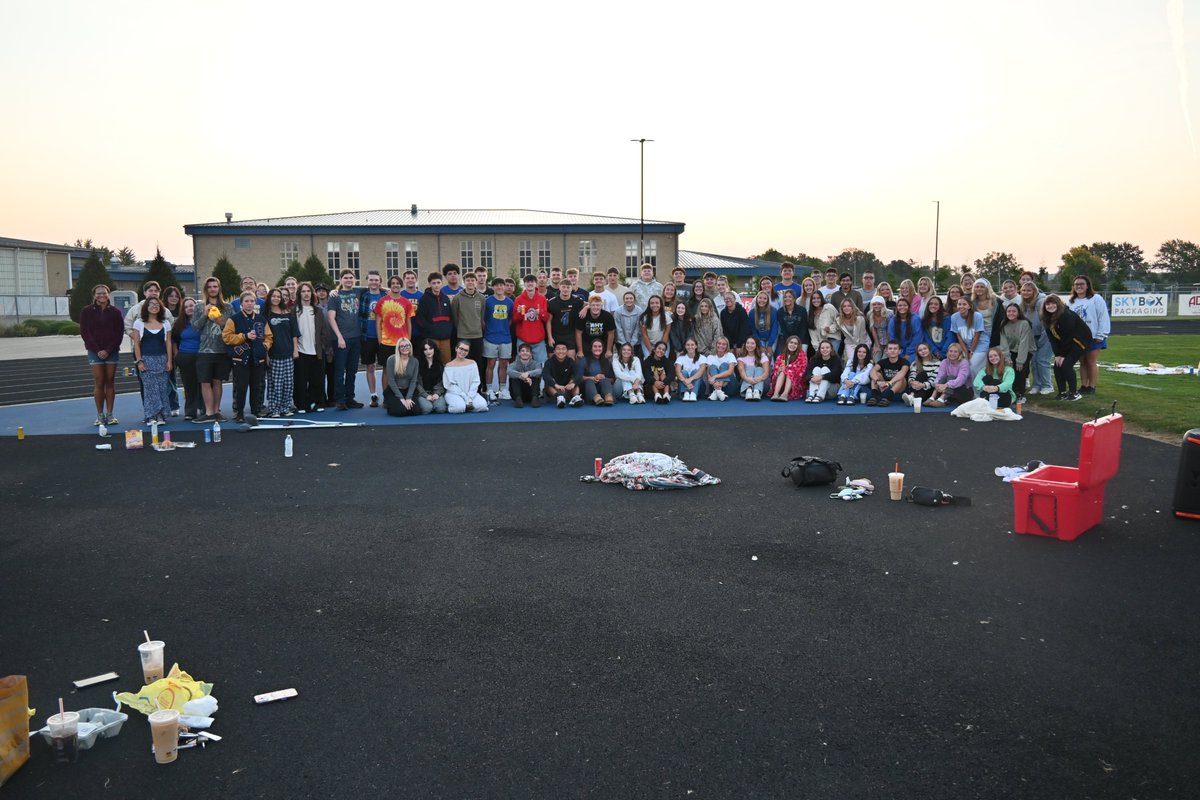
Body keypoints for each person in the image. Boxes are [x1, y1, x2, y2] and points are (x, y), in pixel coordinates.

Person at [80, 283, 124, 426]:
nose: (101, 295)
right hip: (94, 351)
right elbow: (85, 332)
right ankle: (100, 416)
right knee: (99, 381)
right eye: (98, 293)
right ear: (94, 296)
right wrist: (97, 349)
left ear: (108, 294)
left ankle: (110, 415)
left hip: (111, 352)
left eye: (104, 293)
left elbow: (119, 333)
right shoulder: (87, 311)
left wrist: (108, 350)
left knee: (110, 381)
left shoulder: (116, 312)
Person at [223, 290, 270, 422]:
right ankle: (239, 413)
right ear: (241, 303)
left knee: (256, 386)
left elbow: (269, 337)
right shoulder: (234, 319)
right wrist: (244, 336)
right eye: (246, 301)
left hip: (258, 358)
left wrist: (264, 347)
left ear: (255, 302)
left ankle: (255, 412)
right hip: (240, 359)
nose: (249, 304)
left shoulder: (261, 319)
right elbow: (226, 337)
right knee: (241, 387)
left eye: (252, 301)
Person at [192, 276, 232, 423]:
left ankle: (216, 411)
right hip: (205, 350)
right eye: (210, 287)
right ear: (206, 290)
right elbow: (195, 327)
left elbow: (231, 328)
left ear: (219, 288)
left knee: (217, 381)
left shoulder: (228, 307)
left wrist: (220, 321)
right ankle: (208, 413)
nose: (212, 289)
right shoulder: (198, 307)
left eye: (215, 286)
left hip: (222, 350)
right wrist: (204, 314)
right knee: (204, 381)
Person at [325, 270, 364, 410]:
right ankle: (340, 400)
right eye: (346, 278)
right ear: (341, 279)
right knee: (340, 371)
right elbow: (331, 318)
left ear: (355, 279)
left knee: (352, 370)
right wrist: (339, 337)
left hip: (356, 337)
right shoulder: (335, 297)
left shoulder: (358, 292)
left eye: (351, 278)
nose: (348, 280)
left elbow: (377, 287)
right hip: (341, 339)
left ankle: (350, 398)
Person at [131, 297, 174, 424]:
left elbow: (169, 344)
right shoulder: (138, 323)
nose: (154, 306)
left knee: (162, 389)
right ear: (146, 307)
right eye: (151, 304)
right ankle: (150, 415)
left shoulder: (166, 323)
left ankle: (161, 415)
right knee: (150, 389)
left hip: (162, 359)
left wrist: (169, 361)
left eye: (157, 304)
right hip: (146, 360)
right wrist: (139, 361)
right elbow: (137, 344)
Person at [1068, 275, 1111, 395]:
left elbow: (1103, 316)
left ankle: (1092, 386)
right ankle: (1084, 385)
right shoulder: (1072, 301)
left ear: (1087, 286)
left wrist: (1101, 334)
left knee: (1091, 361)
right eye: (1076, 284)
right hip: (1079, 338)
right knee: (1082, 362)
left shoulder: (1096, 298)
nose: (1079, 286)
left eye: (1081, 284)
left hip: (1094, 336)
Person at [1041, 294, 1088, 401]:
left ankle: (1074, 393)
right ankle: (1062, 393)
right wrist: (1057, 355)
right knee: (1057, 365)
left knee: (1066, 364)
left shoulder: (1066, 315)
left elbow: (1068, 336)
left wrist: (1062, 355)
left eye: (1053, 303)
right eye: (1048, 304)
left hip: (1078, 341)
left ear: (1058, 304)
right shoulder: (1046, 318)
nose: (1050, 306)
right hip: (1066, 343)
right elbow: (1052, 339)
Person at [293, 282, 329, 414]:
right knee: (301, 380)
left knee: (318, 379)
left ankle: (318, 402)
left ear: (311, 293)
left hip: (317, 351)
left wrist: (323, 346)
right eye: (303, 291)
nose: (306, 294)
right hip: (301, 351)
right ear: (299, 294)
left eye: (308, 291)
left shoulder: (318, 310)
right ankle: (302, 404)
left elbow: (323, 331)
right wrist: (295, 348)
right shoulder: (294, 310)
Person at [375, 275, 415, 389]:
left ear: (401, 285)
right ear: (390, 286)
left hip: (402, 343)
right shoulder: (382, 301)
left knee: (403, 371)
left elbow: (408, 322)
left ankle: (401, 394)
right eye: (393, 283)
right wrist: (380, 340)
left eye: (397, 283)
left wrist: (409, 340)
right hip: (386, 343)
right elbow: (378, 323)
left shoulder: (406, 302)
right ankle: (386, 396)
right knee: (387, 371)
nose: (395, 285)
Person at [263, 288, 298, 417]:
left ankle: (286, 407)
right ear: (269, 298)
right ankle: (274, 408)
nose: (276, 298)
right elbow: (264, 337)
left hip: (288, 353)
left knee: (288, 383)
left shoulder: (288, 313)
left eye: (278, 296)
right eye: (274, 296)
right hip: (274, 354)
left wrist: (295, 350)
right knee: (275, 384)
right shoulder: (266, 315)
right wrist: (266, 354)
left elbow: (294, 333)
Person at [356, 271, 387, 407]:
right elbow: (343, 289)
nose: (374, 282)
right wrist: (334, 290)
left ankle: (387, 395)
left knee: (386, 367)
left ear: (380, 282)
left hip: (384, 336)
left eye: (376, 280)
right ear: (367, 281)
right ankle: (373, 395)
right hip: (367, 336)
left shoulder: (385, 295)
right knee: (370, 366)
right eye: (371, 280)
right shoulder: (362, 294)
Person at [450, 271, 486, 383]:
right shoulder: (457, 298)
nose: (470, 282)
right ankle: (463, 385)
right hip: (463, 336)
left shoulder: (481, 298)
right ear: (464, 282)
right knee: (462, 362)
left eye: (472, 280)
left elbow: (481, 316)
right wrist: (461, 329)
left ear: (476, 282)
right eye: (468, 280)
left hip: (477, 335)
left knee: (477, 363)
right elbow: (455, 317)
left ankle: (478, 388)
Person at [1018, 282, 1054, 395]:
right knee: (1033, 362)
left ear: (1034, 291)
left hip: (1046, 336)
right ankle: (1037, 385)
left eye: (1029, 290)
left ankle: (1047, 385)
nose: (1025, 292)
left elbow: (1046, 324)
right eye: (1023, 290)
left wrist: (1041, 341)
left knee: (1042, 360)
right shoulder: (1023, 305)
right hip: (1033, 338)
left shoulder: (1041, 302)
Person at [482, 277, 515, 400]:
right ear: (493, 287)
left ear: (505, 287)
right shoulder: (488, 301)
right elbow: (482, 320)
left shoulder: (510, 302)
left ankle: (503, 389)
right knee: (490, 364)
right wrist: (489, 331)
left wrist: (503, 329)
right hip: (490, 337)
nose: (499, 287)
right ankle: (489, 389)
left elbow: (510, 320)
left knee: (504, 364)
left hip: (505, 338)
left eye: (502, 285)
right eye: (497, 285)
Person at [996, 302, 1034, 404]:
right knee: (1009, 369)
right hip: (1011, 350)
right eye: (1009, 311)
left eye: (1014, 311)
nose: (1011, 313)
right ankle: (1011, 391)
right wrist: (1007, 357)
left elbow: (1024, 343)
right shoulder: (1003, 324)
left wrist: (1020, 361)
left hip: (1026, 350)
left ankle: (1021, 393)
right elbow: (1003, 343)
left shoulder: (1024, 323)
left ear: (1018, 312)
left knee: (1020, 370)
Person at [173, 296, 201, 420]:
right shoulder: (179, 324)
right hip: (185, 357)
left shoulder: (203, 321)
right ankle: (190, 411)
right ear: (183, 310)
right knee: (189, 386)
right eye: (186, 307)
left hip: (202, 356)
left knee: (203, 384)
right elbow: (173, 340)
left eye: (192, 305)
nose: (189, 308)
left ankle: (205, 409)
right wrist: (176, 355)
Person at [416, 272, 454, 364]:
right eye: (434, 283)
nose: (436, 285)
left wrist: (449, 330)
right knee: (432, 363)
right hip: (431, 338)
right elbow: (420, 319)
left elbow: (450, 316)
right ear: (430, 284)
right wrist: (430, 330)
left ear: (441, 283)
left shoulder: (445, 298)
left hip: (445, 338)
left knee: (447, 363)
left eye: (438, 282)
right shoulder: (424, 299)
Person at [513, 274, 550, 365]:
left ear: (536, 284)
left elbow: (546, 318)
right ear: (524, 284)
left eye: (532, 282)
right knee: (521, 366)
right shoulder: (518, 299)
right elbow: (515, 319)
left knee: (542, 364)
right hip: (523, 338)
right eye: (527, 282)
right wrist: (520, 313)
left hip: (539, 339)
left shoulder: (542, 298)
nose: (530, 284)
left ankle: (540, 380)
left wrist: (540, 312)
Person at [443, 340, 488, 413]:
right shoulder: (448, 366)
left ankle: (466, 405)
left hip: (471, 394)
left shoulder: (472, 363)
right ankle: (461, 405)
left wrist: (469, 397)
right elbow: (450, 385)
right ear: (456, 349)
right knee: (459, 408)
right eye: (461, 349)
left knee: (482, 405)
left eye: (466, 350)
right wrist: (464, 396)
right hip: (454, 394)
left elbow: (476, 381)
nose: (463, 352)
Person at [925, 342, 974, 407]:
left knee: (951, 377)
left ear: (960, 353)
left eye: (955, 352)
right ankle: (933, 397)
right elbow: (940, 375)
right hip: (950, 391)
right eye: (951, 351)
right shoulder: (944, 362)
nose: (952, 353)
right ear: (948, 352)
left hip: (964, 391)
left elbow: (961, 380)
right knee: (944, 377)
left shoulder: (964, 363)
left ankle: (942, 399)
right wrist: (936, 384)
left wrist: (946, 385)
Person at [161, 285, 185, 416]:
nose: (174, 298)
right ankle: (173, 405)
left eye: (176, 296)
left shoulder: (183, 311)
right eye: (171, 296)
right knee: (169, 378)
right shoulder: (161, 311)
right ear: (166, 297)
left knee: (188, 378)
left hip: (184, 347)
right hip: (167, 347)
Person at [382, 338, 421, 417]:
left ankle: (401, 404)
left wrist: (408, 397)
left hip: (408, 390)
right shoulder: (391, 360)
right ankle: (391, 404)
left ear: (410, 347)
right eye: (402, 346)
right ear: (398, 349)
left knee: (416, 411)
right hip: (394, 391)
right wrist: (401, 398)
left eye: (407, 345)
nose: (405, 348)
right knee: (400, 411)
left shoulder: (415, 361)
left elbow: (413, 381)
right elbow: (391, 381)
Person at [950, 297, 987, 377]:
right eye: (959, 304)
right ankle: (966, 386)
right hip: (966, 346)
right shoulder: (954, 317)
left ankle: (977, 387)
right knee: (963, 364)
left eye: (964, 304)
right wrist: (966, 352)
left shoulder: (977, 316)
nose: (961, 306)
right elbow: (959, 336)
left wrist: (972, 352)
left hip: (980, 345)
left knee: (972, 365)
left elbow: (977, 335)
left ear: (969, 306)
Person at [866, 340, 909, 407]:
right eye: (890, 348)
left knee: (901, 378)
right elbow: (872, 371)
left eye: (895, 349)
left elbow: (902, 373)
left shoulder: (904, 362)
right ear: (886, 351)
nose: (892, 350)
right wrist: (878, 382)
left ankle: (887, 397)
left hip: (898, 389)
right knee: (876, 374)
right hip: (884, 387)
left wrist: (889, 383)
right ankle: (874, 396)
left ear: (899, 351)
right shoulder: (882, 361)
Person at [547, 280, 584, 357]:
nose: (565, 289)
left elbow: (590, 304)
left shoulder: (577, 301)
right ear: (559, 288)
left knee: (571, 360)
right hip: (555, 335)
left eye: (568, 287)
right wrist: (550, 337)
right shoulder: (552, 302)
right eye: (563, 287)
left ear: (571, 288)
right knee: (553, 361)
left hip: (570, 335)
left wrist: (586, 308)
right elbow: (548, 321)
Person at [578, 338, 616, 406]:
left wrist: (604, 377)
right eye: (595, 346)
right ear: (591, 348)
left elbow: (612, 379)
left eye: (599, 346)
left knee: (605, 380)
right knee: (589, 381)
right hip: (588, 389)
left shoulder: (606, 361)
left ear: (602, 348)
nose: (597, 348)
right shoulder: (583, 360)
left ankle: (608, 398)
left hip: (603, 388)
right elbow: (578, 378)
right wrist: (592, 378)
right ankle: (596, 398)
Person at [576, 294, 616, 359]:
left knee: (606, 360)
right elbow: (578, 333)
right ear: (589, 306)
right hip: (587, 343)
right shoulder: (583, 315)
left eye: (598, 305)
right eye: (593, 305)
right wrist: (580, 351)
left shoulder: (608, 316)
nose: (595, 307)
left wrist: (608, 350)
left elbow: (611, 334)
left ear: (601, 306)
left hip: (602, 343)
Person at [769, 335, 808, 401]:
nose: (793, 345)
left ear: (798, 346)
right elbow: (775, 371)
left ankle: (785, 394)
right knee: (782, 371)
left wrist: (787, 368)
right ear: (787, 343)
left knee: (789, 371)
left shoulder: (802, 355)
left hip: (795, 383)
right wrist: (779, 370)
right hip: (782, 382)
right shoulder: (782, 356)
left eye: (795, 343)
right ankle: (776, 393)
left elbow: (801, 371)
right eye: (791, 342)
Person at [544, 340, 582, 407]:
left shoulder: (571, 361)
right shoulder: (549, 362)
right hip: (555, 388)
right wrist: (555, 385)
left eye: (563, 349)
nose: (561, 351)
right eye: (558, 349)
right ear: (554, 351)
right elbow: (545, 375)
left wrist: (573, 383)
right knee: (548, 384)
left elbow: (578, 374)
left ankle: (576, 398)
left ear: (567, 351)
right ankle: (559, 398)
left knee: (576, 383)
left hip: (568, 387)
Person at [415, 339, 448, 414]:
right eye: (425, 349)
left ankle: (434, 404)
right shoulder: (417, 364)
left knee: (441, 409)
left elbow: (442, 382)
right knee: (427, 409)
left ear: (434, 349)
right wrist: (425, 395)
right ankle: (429, 405)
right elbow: (416, 383)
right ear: (422, 351)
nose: (428, 351)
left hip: (436, 393)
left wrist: (437, 393)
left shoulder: (440, 365)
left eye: (430, 348)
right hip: (422, 393)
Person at [508, 342, 543, 408]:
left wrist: (528, 374)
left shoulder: (535, 363)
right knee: (514, 377)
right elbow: (509, 371)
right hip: (517, 393)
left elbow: (539, 371)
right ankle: (518, 399)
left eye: (527, 351)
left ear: (531, 354)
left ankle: (535, 399)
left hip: (531, 392)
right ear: (519, 353)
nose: (525, 353)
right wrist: (523, 377)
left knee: (536, 376)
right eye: (522, 351)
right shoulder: (514, 363)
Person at [919, 295, 953, 360]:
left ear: (940, 306)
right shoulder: (925, 320)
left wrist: (943, 351)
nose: (933, 306)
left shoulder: (947, 318)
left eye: (936, 304)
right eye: (931, 304)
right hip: (933, 351)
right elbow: (926, 339)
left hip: (947, 351)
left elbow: (950, 336)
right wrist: (935, 351)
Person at [705, 337, 738, 401]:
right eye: (719, 343)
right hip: (714, 385)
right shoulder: (710, 357)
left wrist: (715, 376)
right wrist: (714, 383)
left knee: (724, 365)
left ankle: (717, 390)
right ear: (716, 344)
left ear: (727, 346)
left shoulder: (730, 355)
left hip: (729, 385)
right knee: (712, 367)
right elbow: (708, 374)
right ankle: (718, 391)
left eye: (724, 344)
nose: (721, 345)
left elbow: (730, 372)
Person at [639, 295, 671, 359]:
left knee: (663, 358)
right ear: (649, 305)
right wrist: (651, 350)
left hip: (663, 341)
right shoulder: (644, 317)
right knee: (649, 358)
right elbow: (644, 335)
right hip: (648, 342)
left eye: (657, 303)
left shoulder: (666, 317)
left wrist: (661, 348)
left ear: (661, 304)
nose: (654, 305)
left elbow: (666, 333)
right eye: (652, 303)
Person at [746, 291, 778, 357]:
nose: (762, 300)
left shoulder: (773, 311)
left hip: (771, 338)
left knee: (769, 355)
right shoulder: (752, 312)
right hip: (759, 339)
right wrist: (760, 345)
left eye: (765, 298)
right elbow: (753, 330)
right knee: (761, 356)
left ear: (768, 300)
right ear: (757, 299)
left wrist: (769, 345)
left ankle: (770, 367)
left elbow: (775, 329)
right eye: (760, 298)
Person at [807, 291, 838, 355]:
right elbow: (812, 333)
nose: (816, 300)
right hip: (821, 342)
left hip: (833, 338)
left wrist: (830, 329)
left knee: (831, 357)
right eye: (813, 298)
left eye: (818, 298)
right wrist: (817, 348)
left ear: (822, 298)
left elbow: (838, 322)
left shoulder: (829, 307)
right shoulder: (810, 313)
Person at [865, 295, 893, 361]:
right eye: (874, 304)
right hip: (878, 341)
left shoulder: (889, 313)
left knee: (884, 360)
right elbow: (873, 330)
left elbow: (890, 331)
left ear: (883, 304)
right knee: (876, 360)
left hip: (889, 341)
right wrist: (877, 345)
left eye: (879, 304)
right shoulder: (870, 314)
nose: (876, 306)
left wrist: (888, 345)